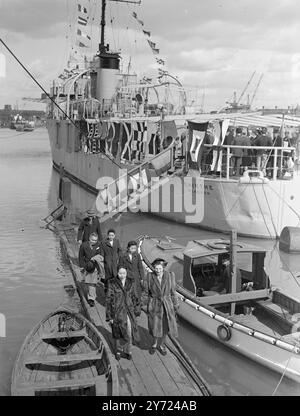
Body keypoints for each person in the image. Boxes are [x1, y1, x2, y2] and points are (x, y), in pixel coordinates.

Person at [106, 266, 141, 360]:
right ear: (117, 273)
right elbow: (109, 300)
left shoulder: (131, 282)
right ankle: (118, 350)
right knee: (118, 333)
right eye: (120, 273)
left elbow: (135, 296)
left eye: (124, 273)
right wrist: (110, 317)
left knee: (129, 332)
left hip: (129, 311)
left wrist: (137, 309)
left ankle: (128, 351)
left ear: (126, 273)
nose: (122, 275)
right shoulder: (112, 282)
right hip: (117, 312)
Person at [145, 259, 178, 356]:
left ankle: (162, 345)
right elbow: (146, 292)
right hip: (154, 304)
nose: (158, 270)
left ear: (163, 268)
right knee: (155, 326)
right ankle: (154, 344)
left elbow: (173, 291)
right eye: (156, 268)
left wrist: (175, 304)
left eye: (160, 268)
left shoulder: (170, 276)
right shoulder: (149, 276)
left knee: (165, 327)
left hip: (167, 305)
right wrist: (145, 305)